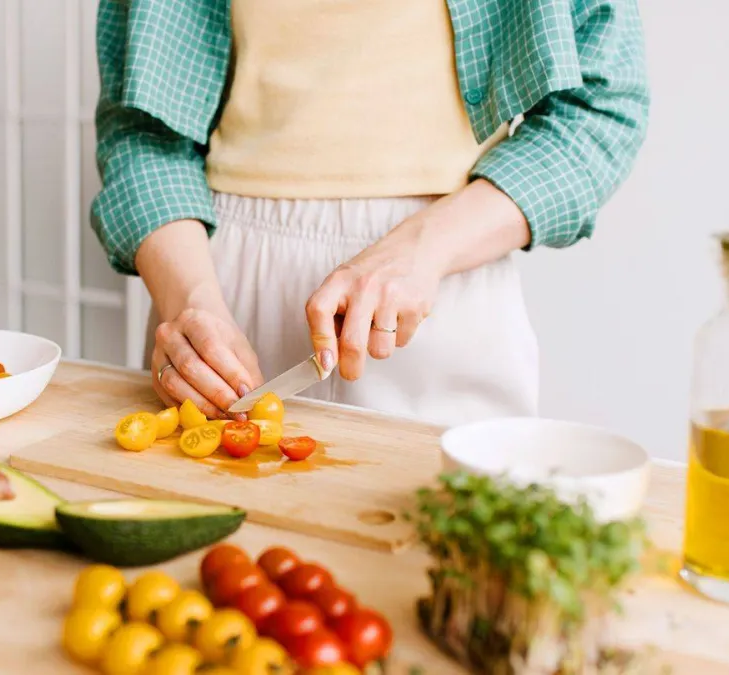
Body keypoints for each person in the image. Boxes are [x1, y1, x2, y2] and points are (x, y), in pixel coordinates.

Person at [90, 0, 649, 426]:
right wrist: (189, 299)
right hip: (219, 282)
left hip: (442, 280)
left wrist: (426, 247)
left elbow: (601, 107)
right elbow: (141, 130)